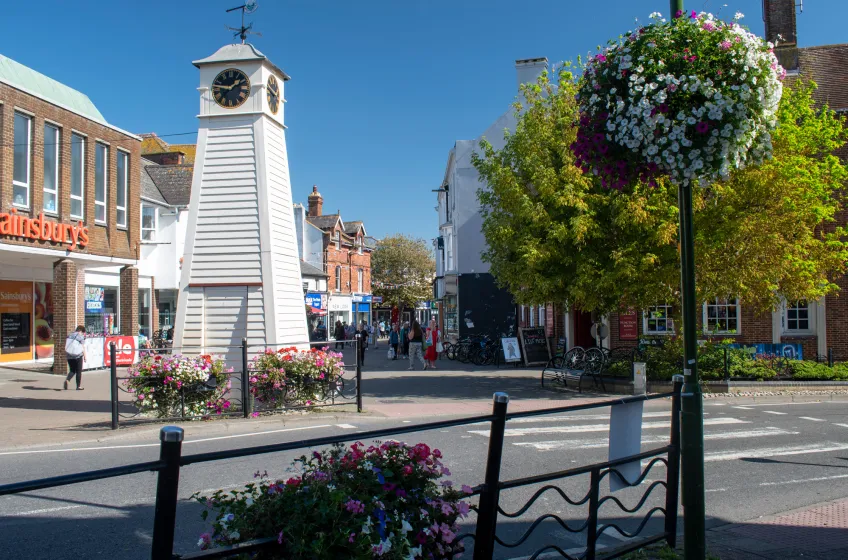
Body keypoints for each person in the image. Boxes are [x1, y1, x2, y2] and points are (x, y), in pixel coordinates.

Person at [63, 326, 87, 390]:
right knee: (78, 371)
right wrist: (85, 356)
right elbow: (82, 347)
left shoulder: (69, 335)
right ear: (81, 331)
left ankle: (67, 380)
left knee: (72, 370)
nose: (82, 334)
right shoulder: (80, 336)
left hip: (69, 355)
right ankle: (78, 386)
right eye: (83, 332)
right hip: (78, 355)